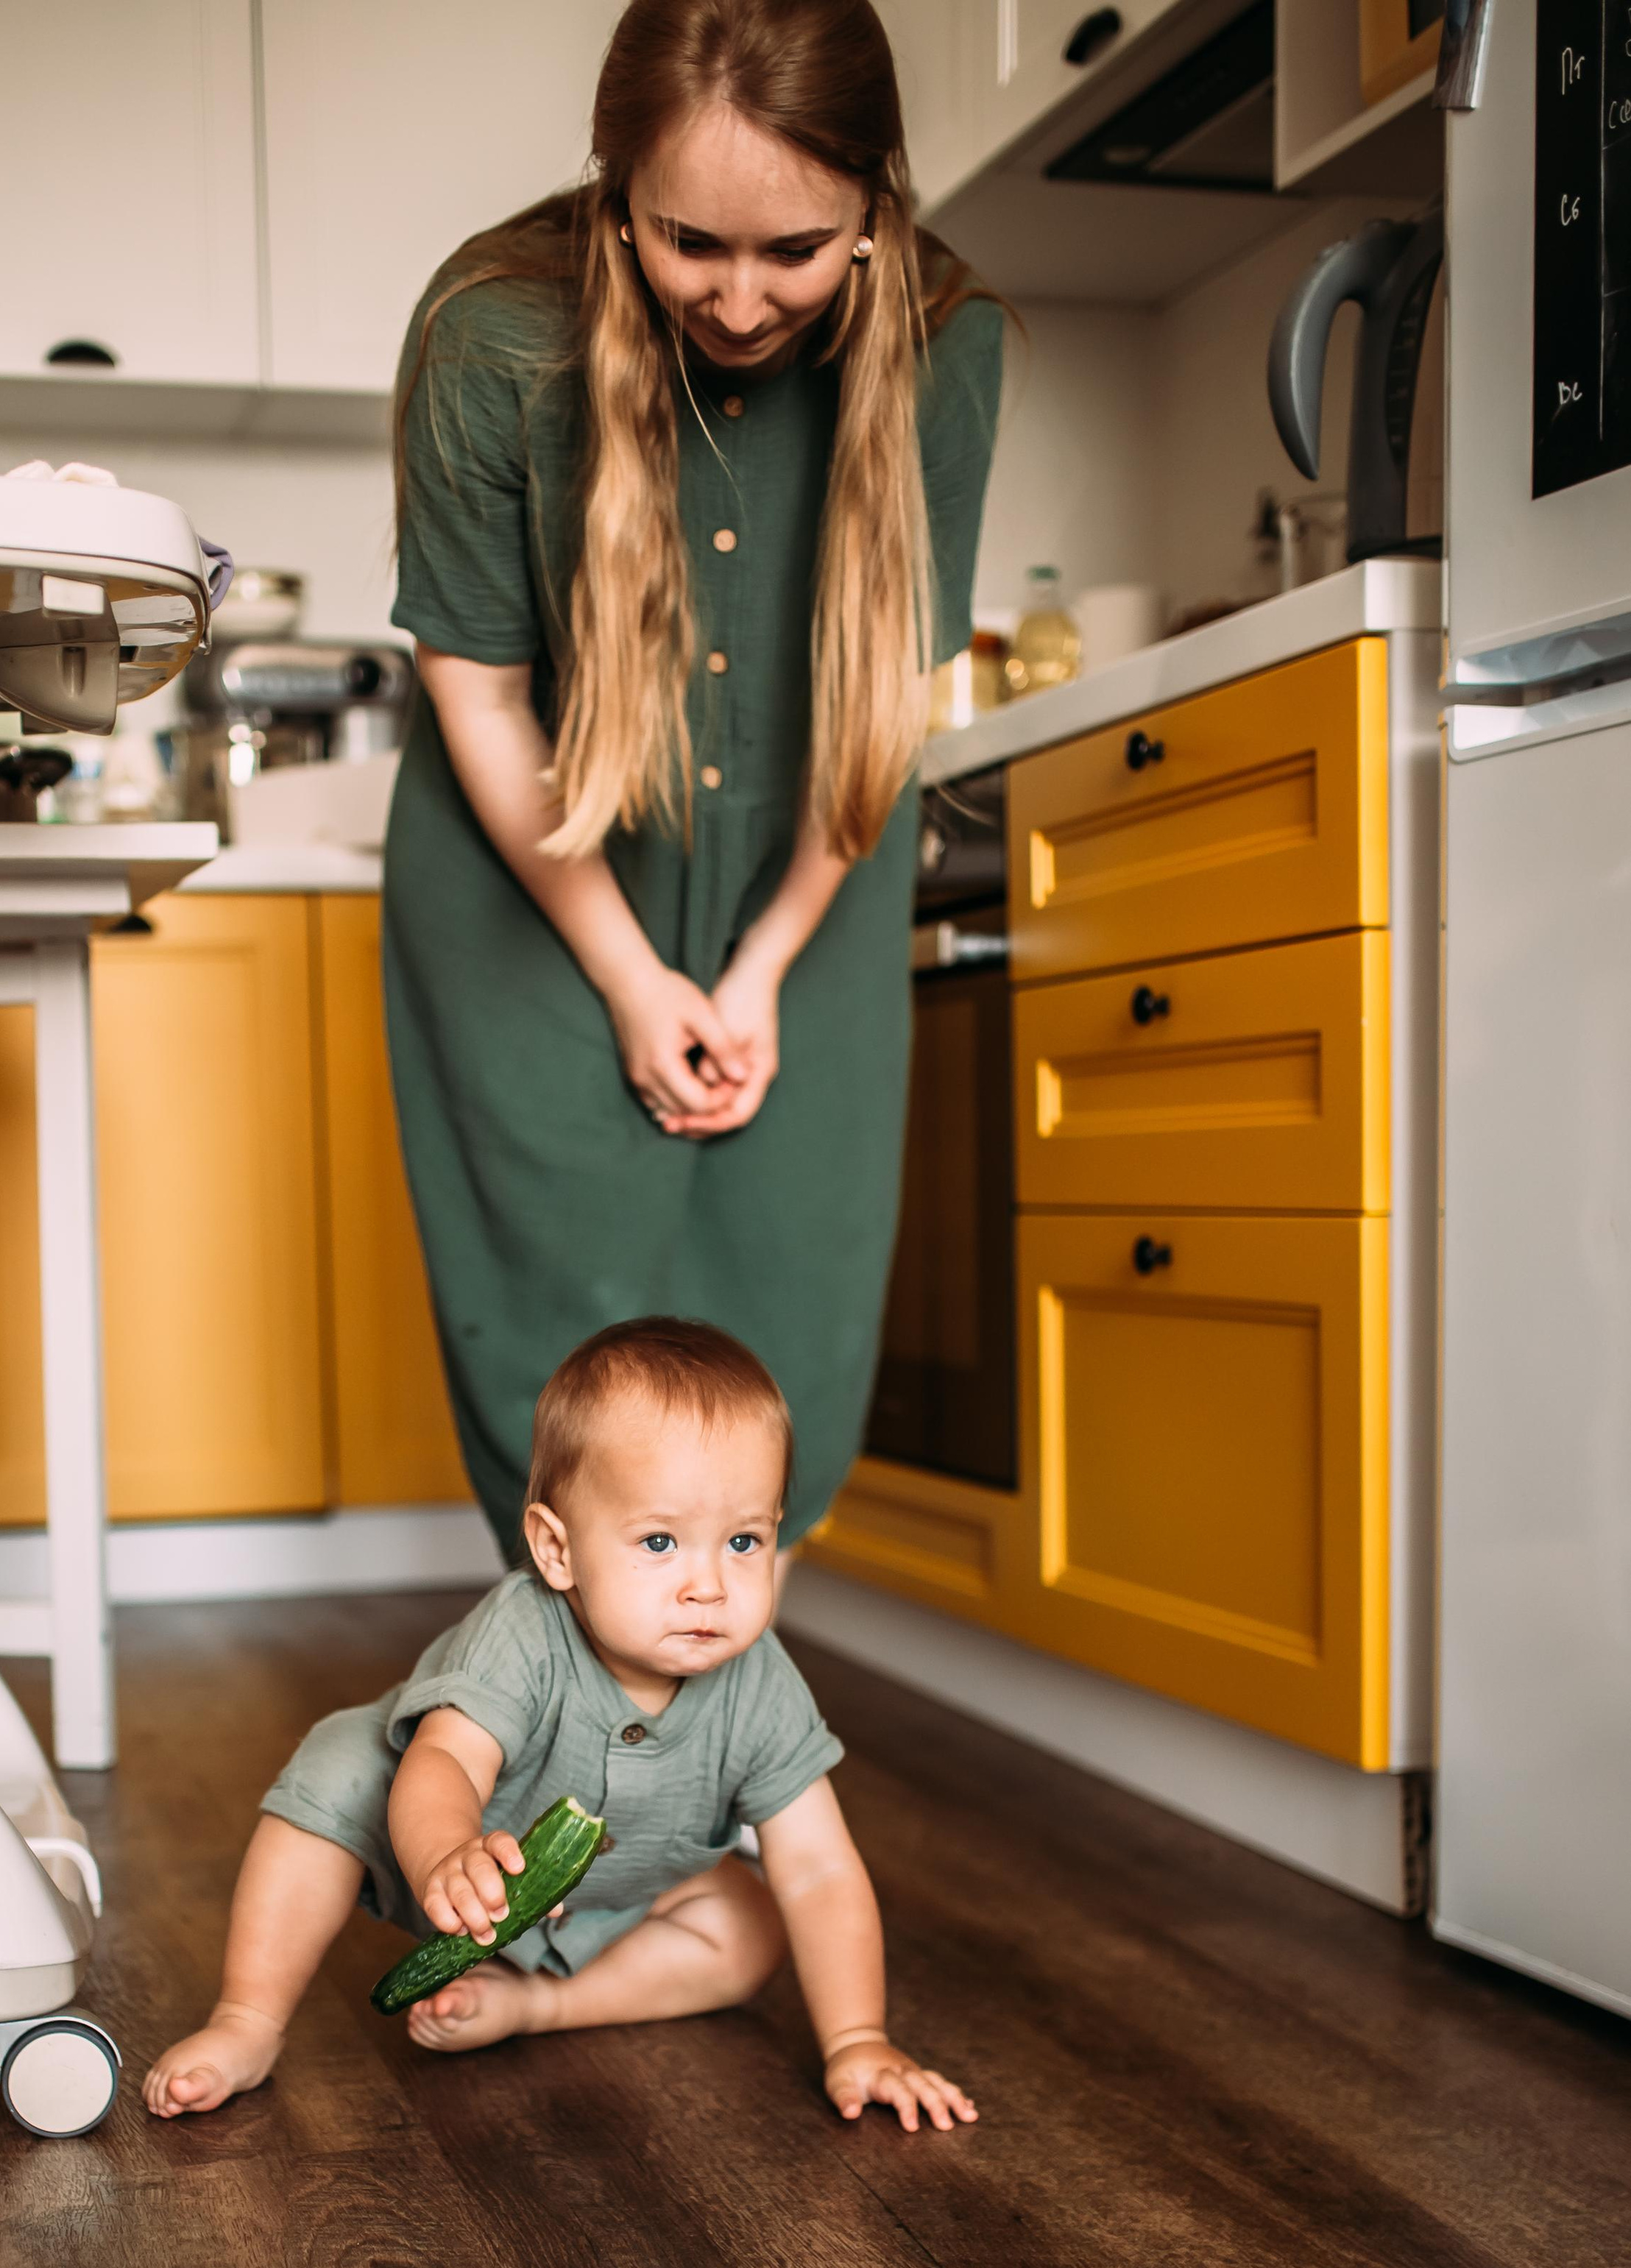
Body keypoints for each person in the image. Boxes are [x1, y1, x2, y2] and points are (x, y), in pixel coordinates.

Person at [383, 0, 1005, 1553]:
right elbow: (473, 680)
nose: (737, 301)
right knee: (563, 1350)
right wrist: (626, 971)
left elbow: (883, 696)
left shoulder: (942, 335)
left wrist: (767, 960)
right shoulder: (491, 330)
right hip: (532, 883)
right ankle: (583, 1768)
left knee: (788, 1325)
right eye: (686, 246)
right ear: (616, 191)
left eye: (792, 251)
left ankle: (716, 1758)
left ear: (872, 202)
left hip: (815, 859)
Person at [143, 1320, 977, 2133]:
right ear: (556, 1549)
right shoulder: (524, 1628)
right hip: (438, 1851)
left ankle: (544, 2004)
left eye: (743, 1540)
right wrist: (446, 1854)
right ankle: (248, 2017)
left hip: (619, 1896)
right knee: (330, 1779)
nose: (709, 1585)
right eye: (660, 1541)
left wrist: (859, 2038)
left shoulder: (761, 1684)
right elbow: (445, 1760)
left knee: (752, 1927)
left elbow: (822, 1870)